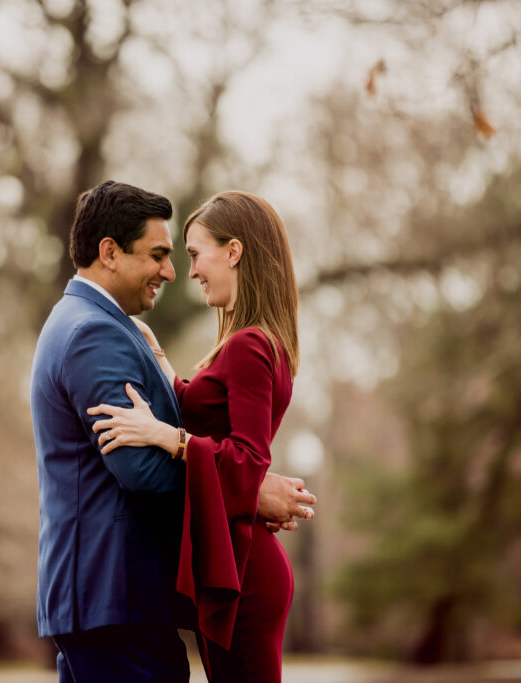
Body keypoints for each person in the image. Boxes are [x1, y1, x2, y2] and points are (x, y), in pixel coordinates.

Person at [31, 181, 315, 683]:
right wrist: (248, 492)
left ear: (234, 251)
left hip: (179, 584)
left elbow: (224, 451)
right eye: (162, 255)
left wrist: (208, 461)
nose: (175, 271)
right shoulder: (94, 330)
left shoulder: (245, 343)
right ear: (110, 253)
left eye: (188, 254)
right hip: (115, 597)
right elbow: (142, 469)